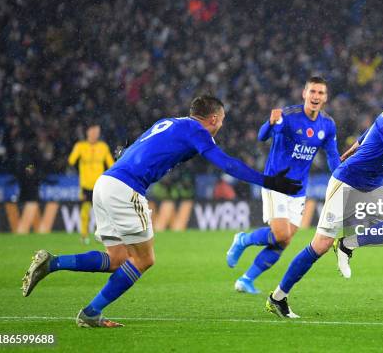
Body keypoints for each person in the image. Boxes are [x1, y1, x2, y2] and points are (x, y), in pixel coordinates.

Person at [21, 95, 301, 328]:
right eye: (222, 120)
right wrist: (269, 181)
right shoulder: (197, 131)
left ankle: (52, 263)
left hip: (105, 183)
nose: (221, 125)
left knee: (118, 259)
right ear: (214, 118)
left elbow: (134, 149)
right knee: (144, 260)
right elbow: (226, 164)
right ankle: (91, 313)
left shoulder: (167, 122)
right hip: (126, 188)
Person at [265, 79, 383, 318]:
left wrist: (353, 148)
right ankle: (278, 297)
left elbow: (371, 130)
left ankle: (348, 244)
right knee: (321, 245)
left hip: (369, 187)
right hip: (346, 184)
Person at [226, 76, 340, 294]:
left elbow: (332, 156)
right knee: (280, 234)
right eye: (313, 92)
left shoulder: (328, 124)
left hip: (299, 189)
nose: (316, 96)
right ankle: (243, 239)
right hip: (276, 183)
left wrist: (341, 176)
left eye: (321, 93)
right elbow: (262, 137)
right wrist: (269, 123)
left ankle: (246, 279)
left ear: (326, 98)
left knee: (285, 240)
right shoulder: (288, 116)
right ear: (304, 94)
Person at [68, 124, 115, 244]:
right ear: (88, 132)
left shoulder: (103, 147)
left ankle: (103, 234)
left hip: (99, 185)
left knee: (102, 211)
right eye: (94, 131)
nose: (96, 134)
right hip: (85, 186)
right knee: (85, 211)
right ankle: (84, 236)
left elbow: (111, 165)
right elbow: (71, 161)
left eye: (98, 131)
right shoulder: (80, 146)